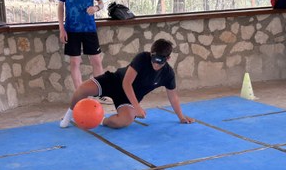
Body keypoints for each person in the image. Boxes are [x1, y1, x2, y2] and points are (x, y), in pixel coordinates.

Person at [60, 39, 195, 129]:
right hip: (115, 82)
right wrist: (137, 107)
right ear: (151, 54)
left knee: (125, 121)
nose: (156, 64)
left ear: (168, 59)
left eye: (160, 62)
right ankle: (68, 117)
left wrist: (181, 117)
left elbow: (173, 97)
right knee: (82, 89)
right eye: (154, 60)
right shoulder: (142, 58)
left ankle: (101, 120)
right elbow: (126, 83)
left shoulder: (168, 74)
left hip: (128, 98)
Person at [56, 0, 112, 104]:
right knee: (75, 62)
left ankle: (99, 94)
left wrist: (96, 8)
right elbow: (60, 7)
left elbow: (101, 3)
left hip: (89, 29)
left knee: (96, 61)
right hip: (71, 30)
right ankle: (80, 96)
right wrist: (61, 28)